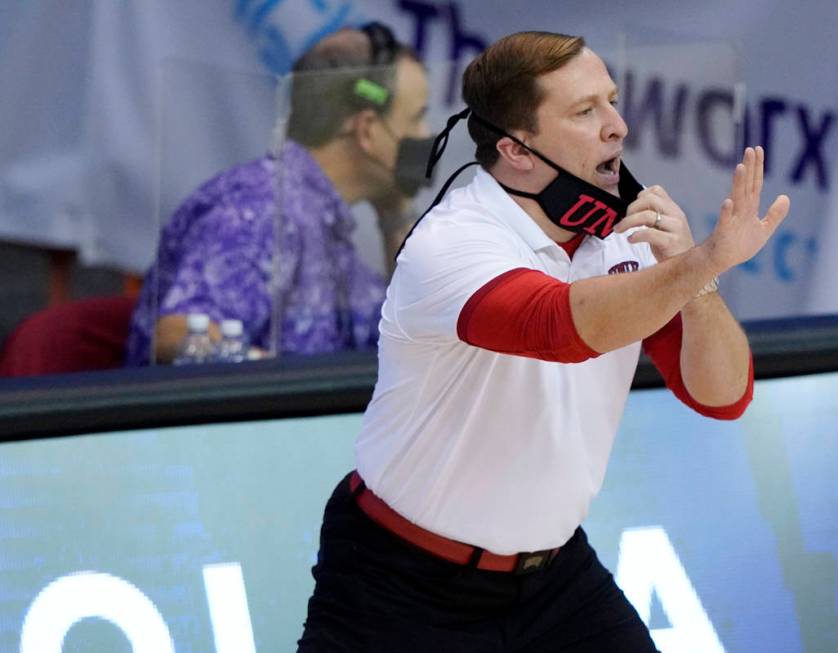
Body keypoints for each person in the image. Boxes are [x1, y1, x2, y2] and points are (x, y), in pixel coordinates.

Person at [297, 31, 791, 652]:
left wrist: (699, 280)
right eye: (586, 112)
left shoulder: (627, 235)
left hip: (554, 579)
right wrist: (701, 261)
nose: (618, 127)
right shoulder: (451, 242)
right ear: (516, 149)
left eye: (612, 102)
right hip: (400, 582)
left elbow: (722, 396)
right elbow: (561, 328)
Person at [125, 22, 431, 365]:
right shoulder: (264, 211)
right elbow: (179, 335)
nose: (427, 133)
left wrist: (396, 213)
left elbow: (410, 343)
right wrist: (284, 385)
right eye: (418, 117)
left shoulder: (322, 222)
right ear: (368, 129)